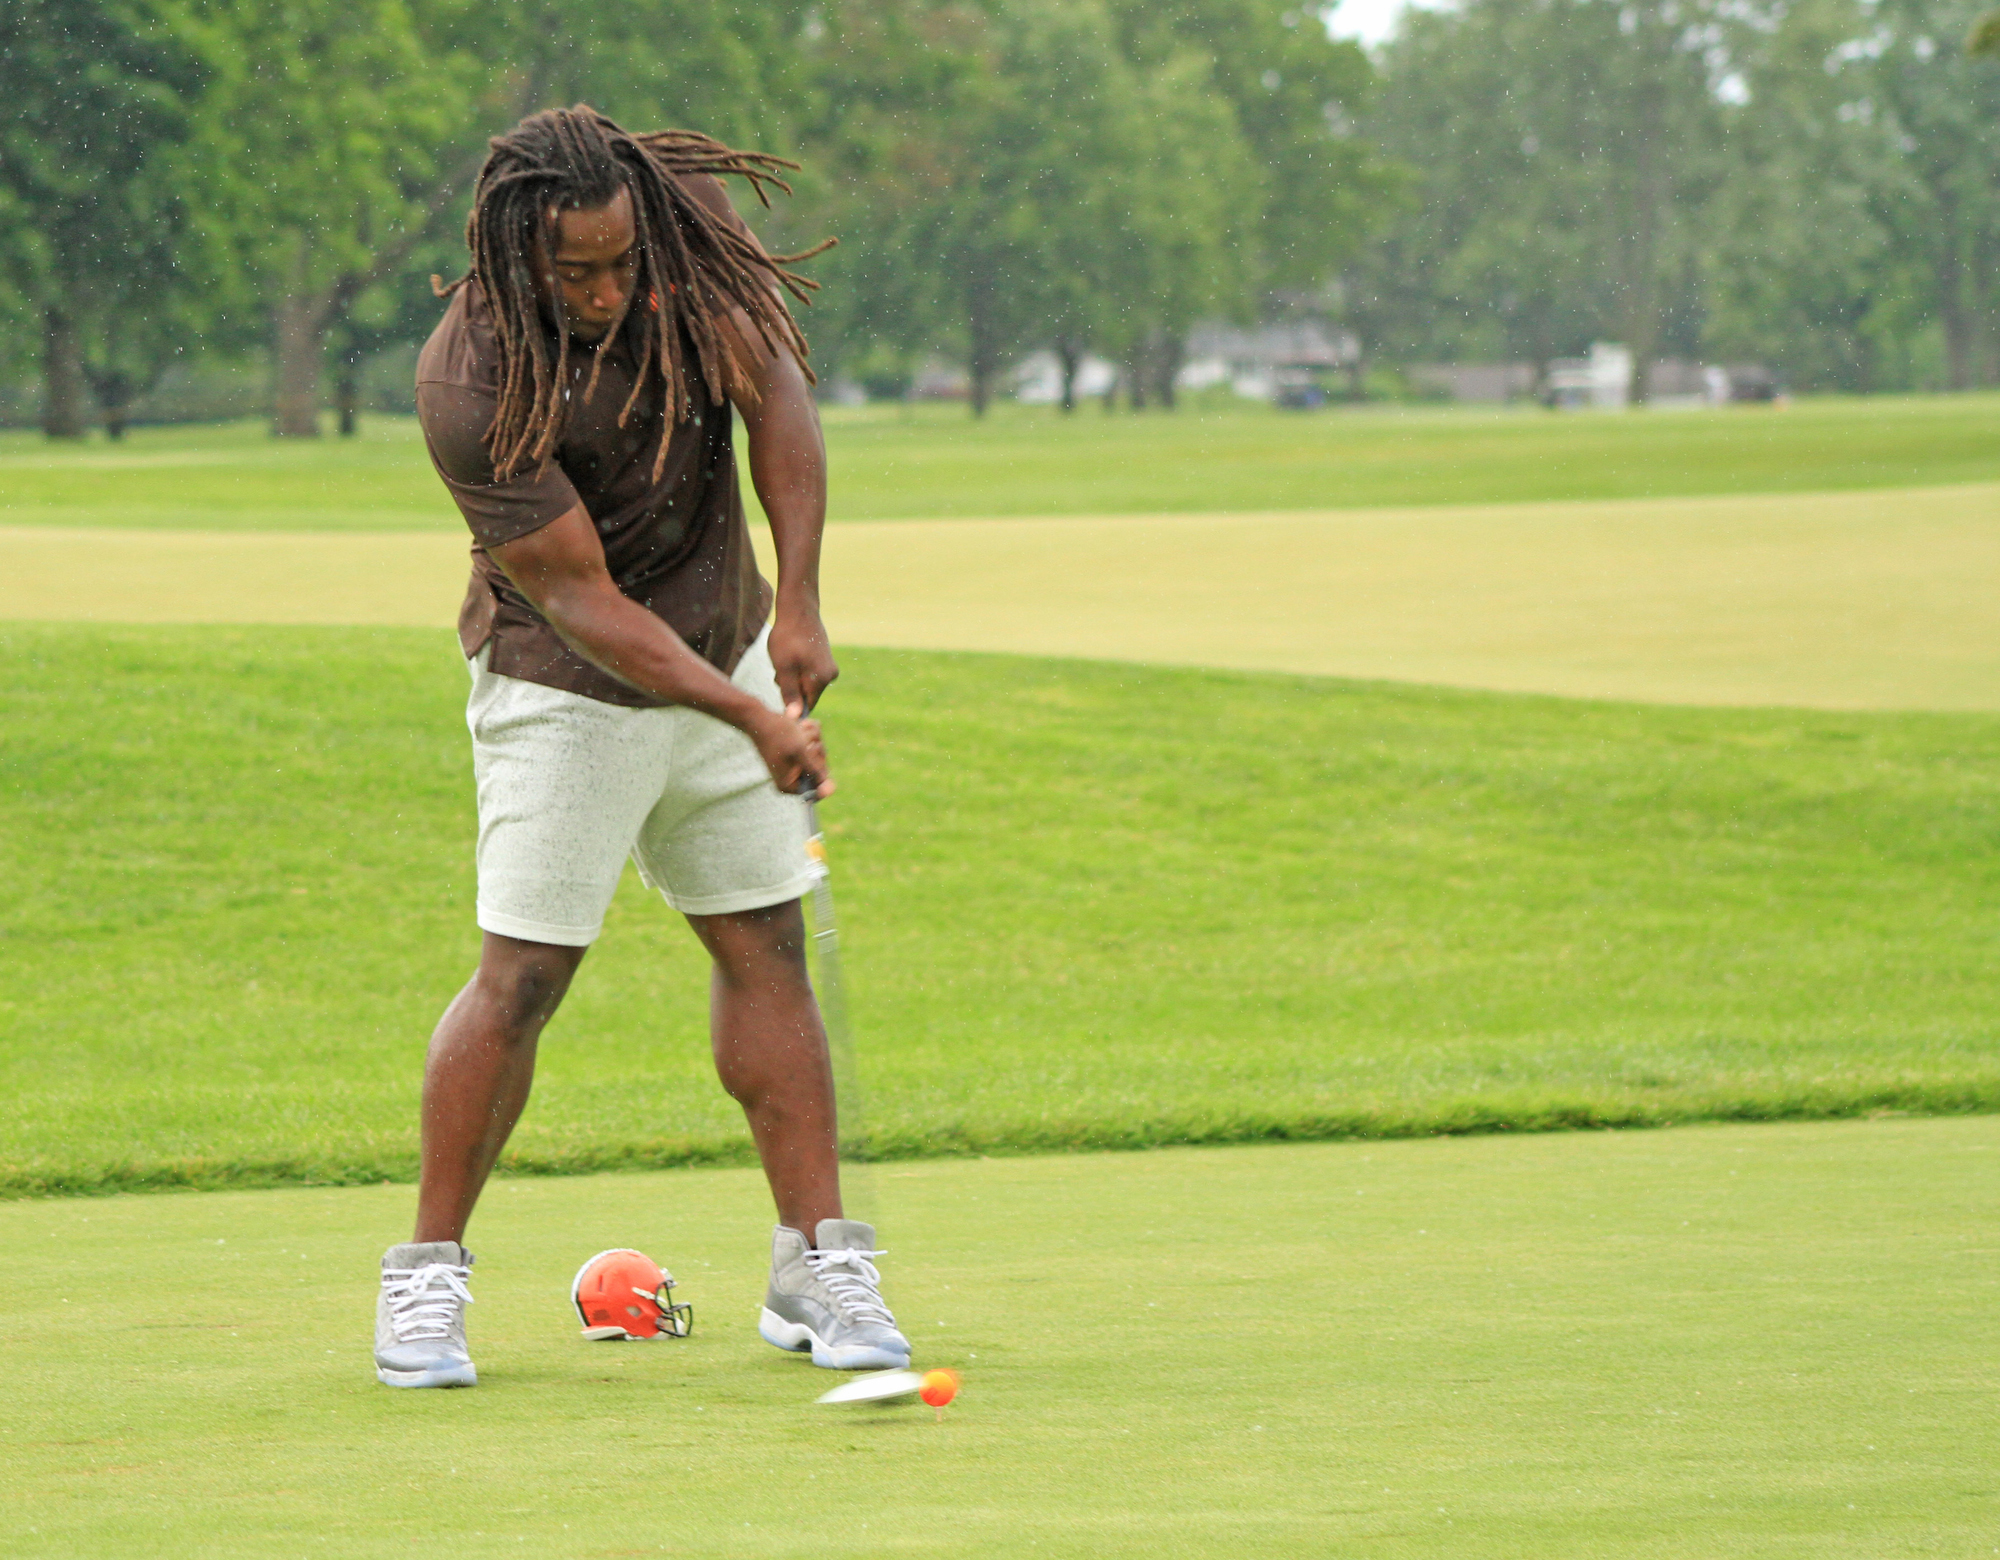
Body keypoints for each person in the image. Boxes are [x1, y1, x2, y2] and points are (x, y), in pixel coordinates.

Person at [372, 105, 907, 1389]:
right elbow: (577, 597)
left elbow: (772, 393)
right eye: (578, 275)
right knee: (525, 976)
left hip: (723, 634)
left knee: (761, 938)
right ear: (516, 257)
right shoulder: (469, 378)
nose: (609, 291)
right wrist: (747, 717)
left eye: (620, 266)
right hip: (562, 687)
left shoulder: (680, 226)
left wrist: (802, 599)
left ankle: (812, 1265)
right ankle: (425, 1282)